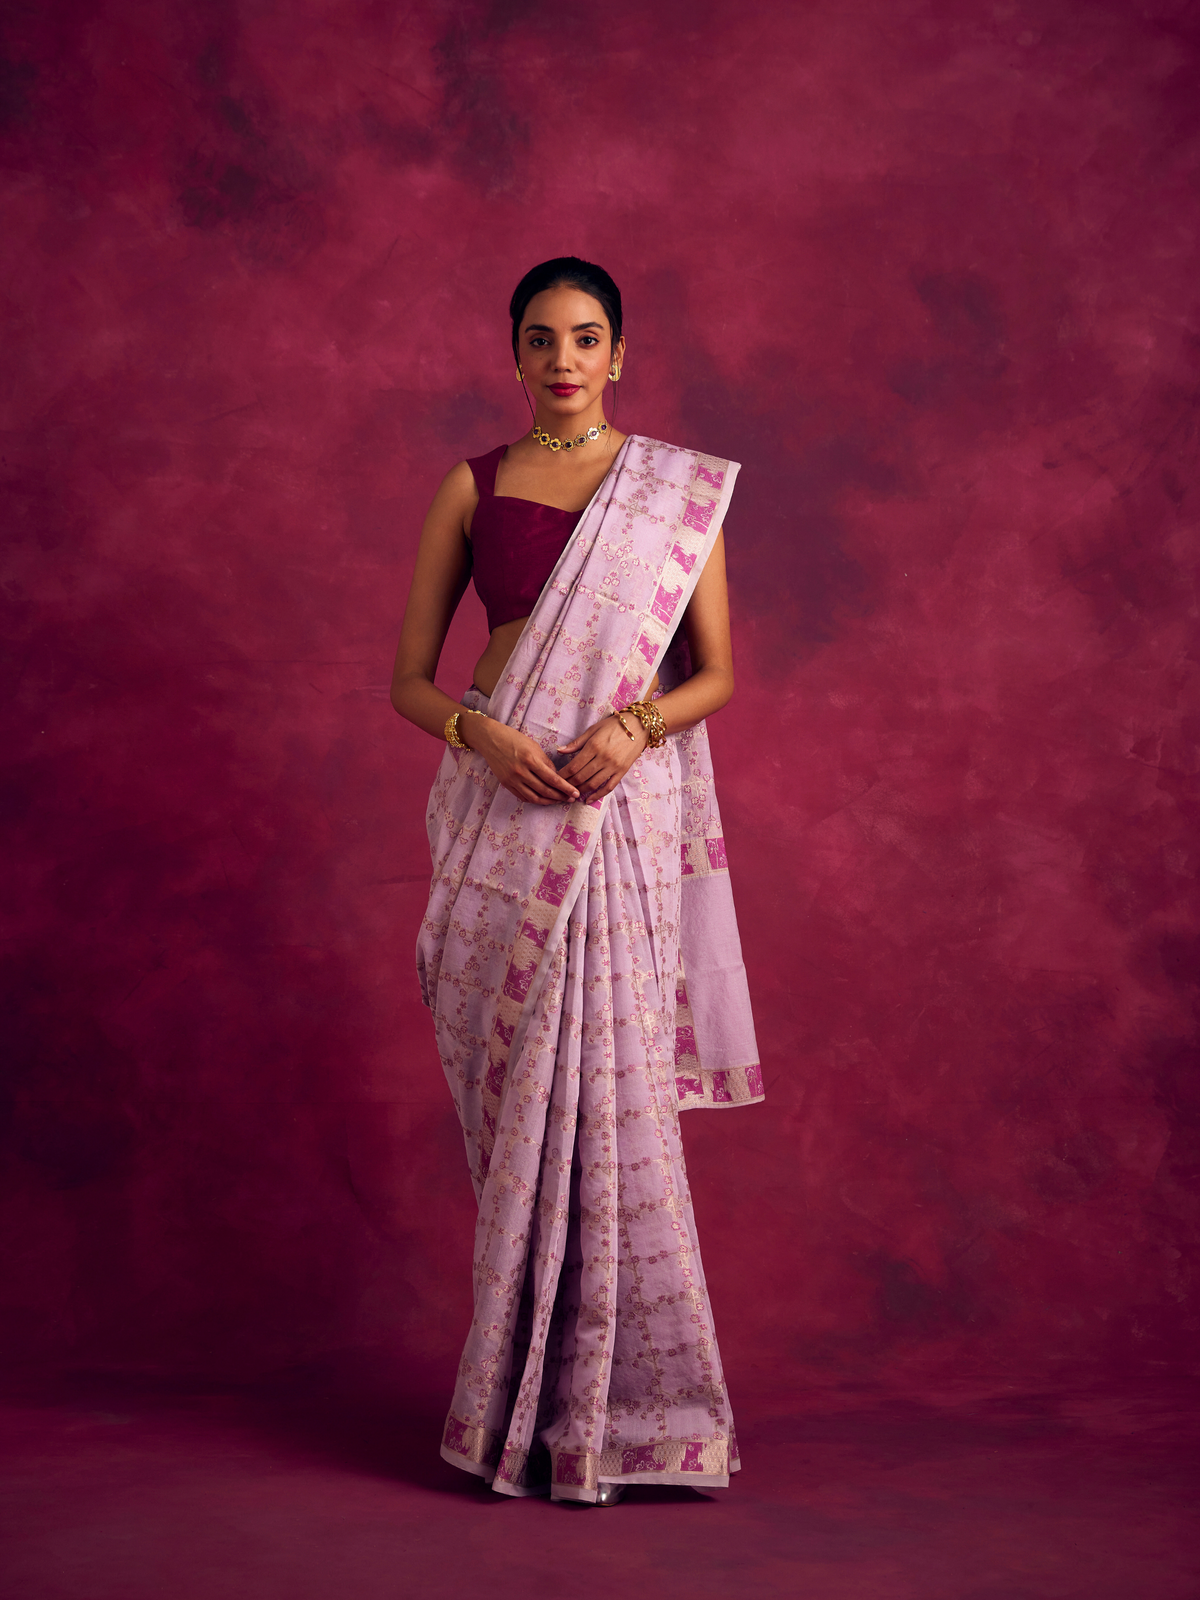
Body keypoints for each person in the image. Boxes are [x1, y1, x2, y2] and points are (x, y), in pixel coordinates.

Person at [390, 257, 763, 1506]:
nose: (563, 357)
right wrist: (479, 732)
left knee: (608, 1095)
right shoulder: (471, 484)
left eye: (586, 337)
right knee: (515, 1101)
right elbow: (410, 681)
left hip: (612, 810)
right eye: (541, 337)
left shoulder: (671, 497)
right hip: (496, 804)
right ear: (512, 353)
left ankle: (628, 1410)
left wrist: (637, 729)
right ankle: (520, 1397)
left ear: (620, 355)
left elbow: (714, 672)